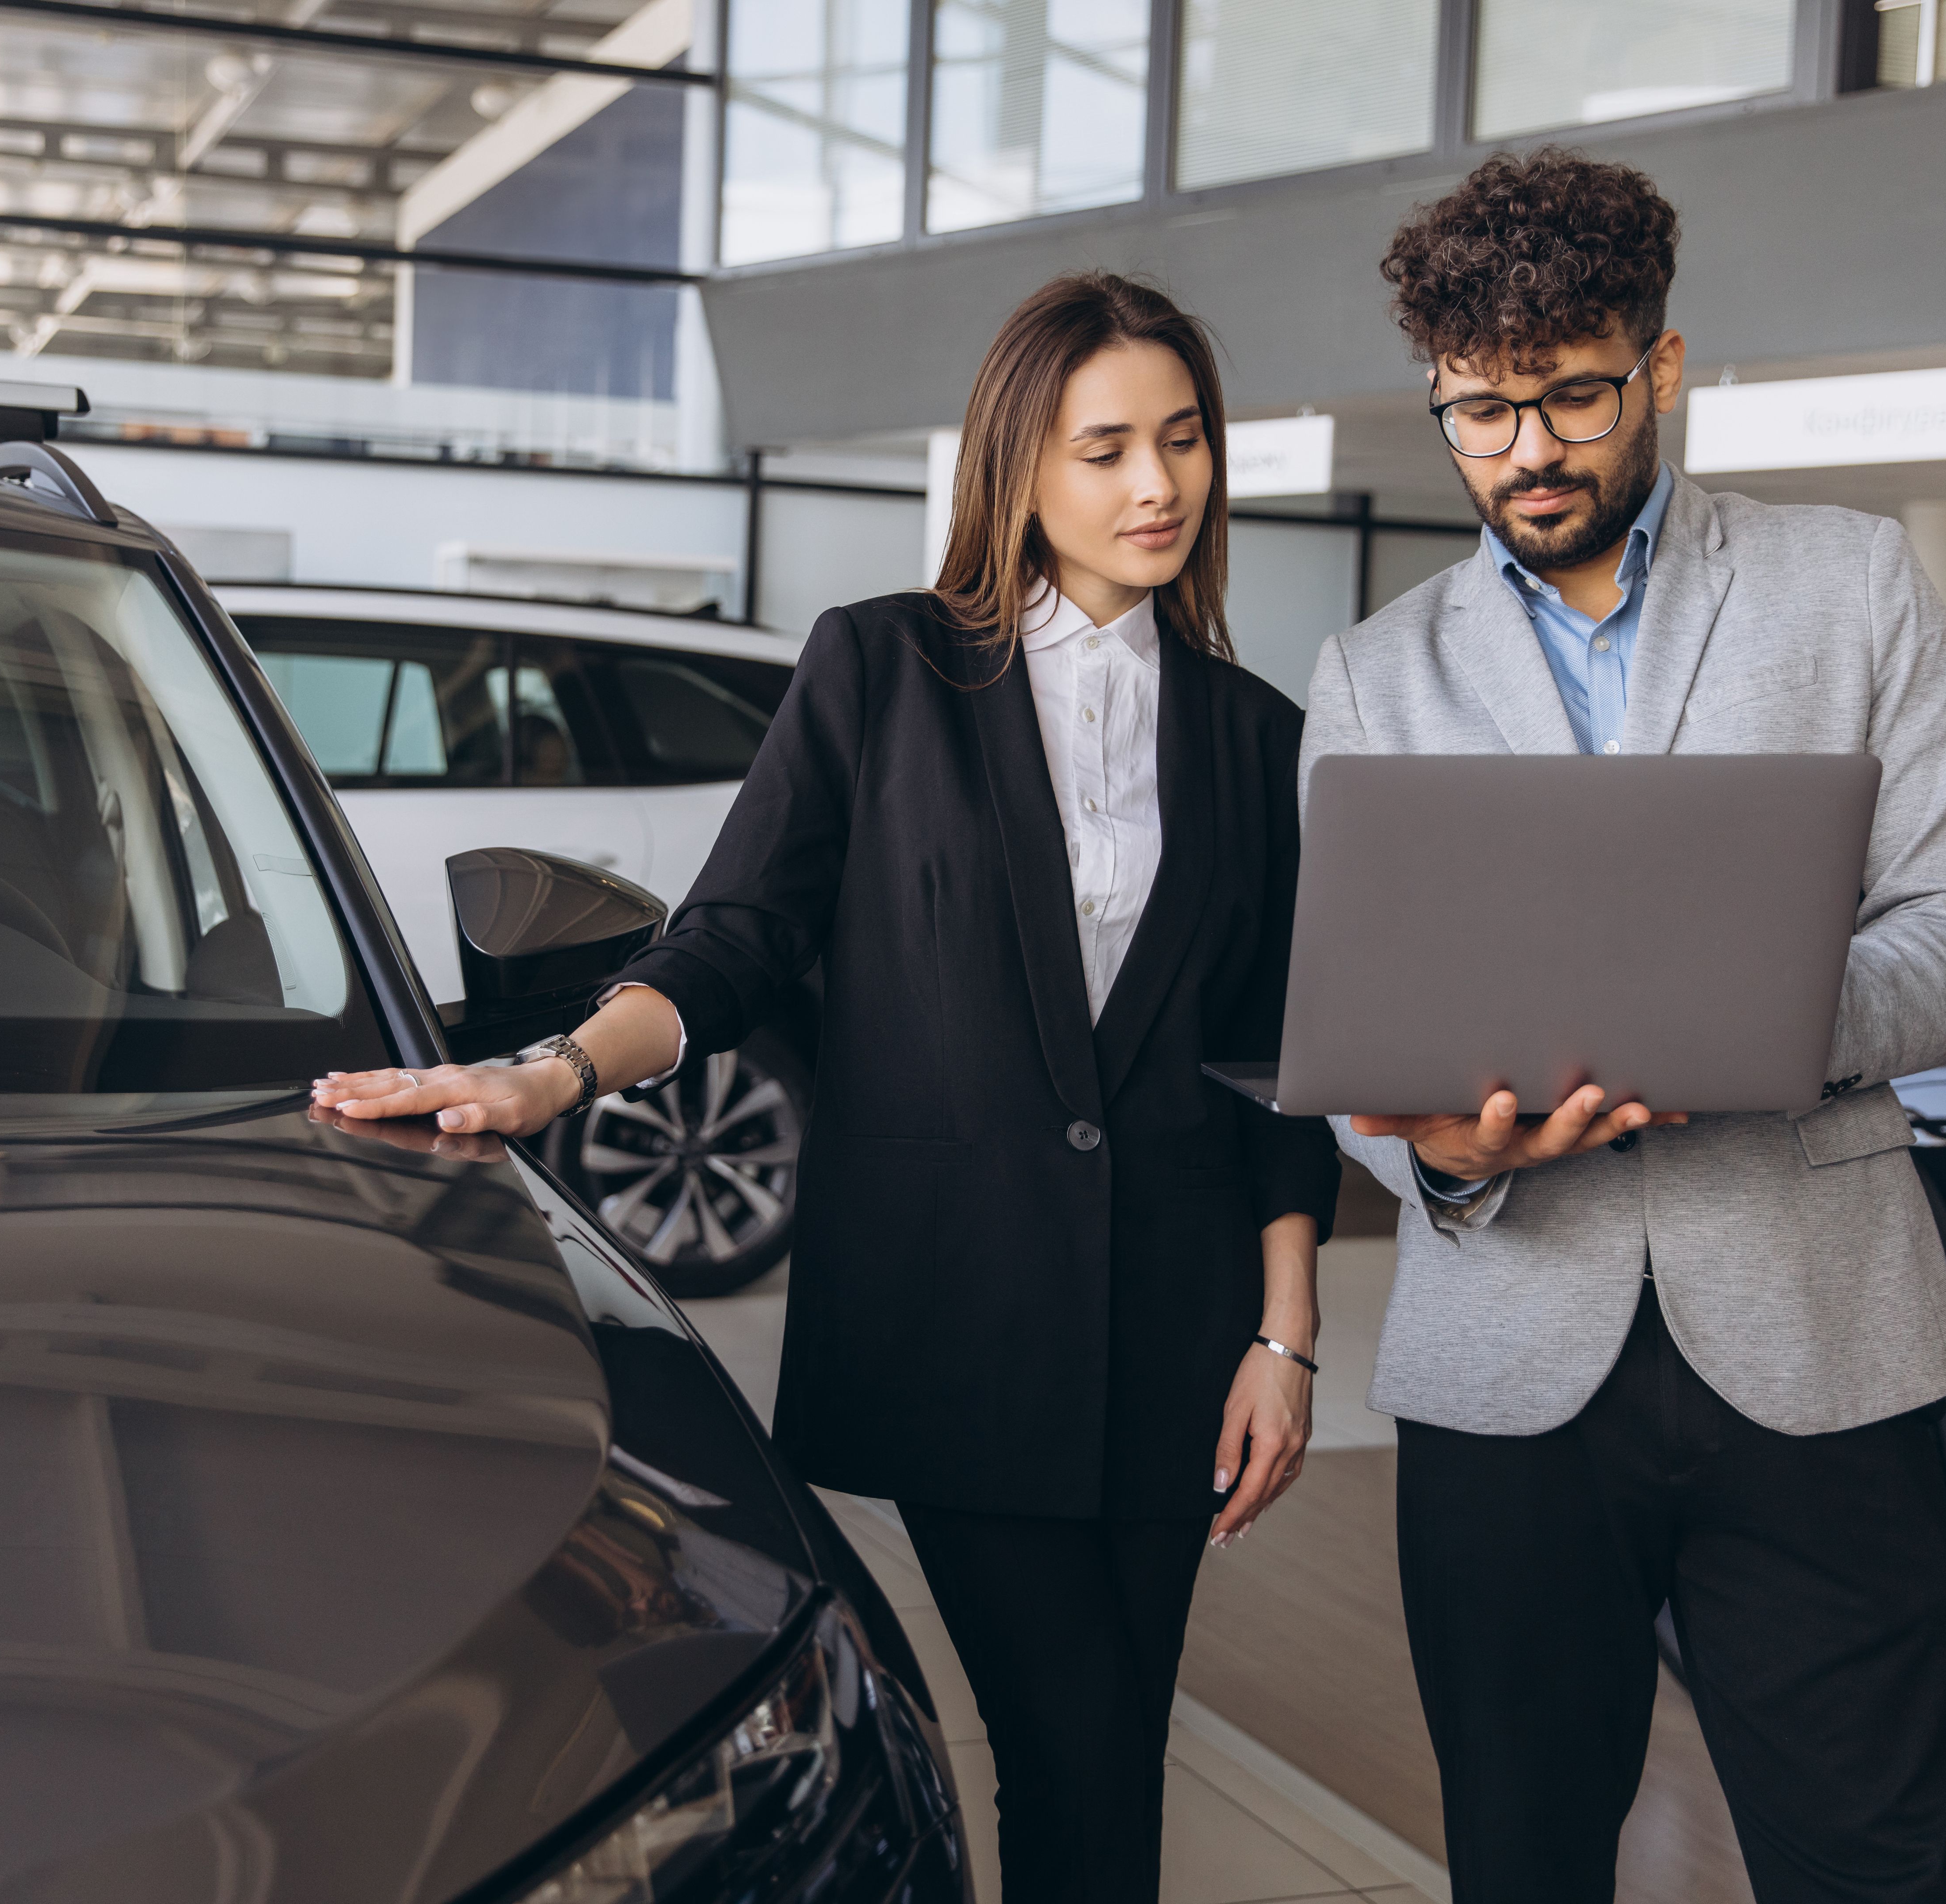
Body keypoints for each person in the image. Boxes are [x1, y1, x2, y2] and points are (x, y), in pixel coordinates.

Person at [315, 271, 1338, 1902]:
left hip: (1180, 1336)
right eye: (1105, 449)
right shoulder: (884, 672)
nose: (1157, 485)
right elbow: (736, 940)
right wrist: (558, 1071)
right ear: (1017, 469)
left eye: (1185, 441)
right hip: (957, 1318)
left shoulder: (1258, 734)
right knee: (1071, 1743)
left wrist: (1286, 1336)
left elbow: (1278, 1056)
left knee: (1112, 1768)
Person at [1304, 150, 1946, 1903]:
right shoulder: (1372, 675)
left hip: (1822, 1351)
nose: (1528, 452)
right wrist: (1445, 1155)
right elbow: (1347, 1037)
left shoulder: (1852, 586)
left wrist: (1752, 1018)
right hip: (1507, 1362)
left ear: (1664, 364)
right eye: (1479, 413)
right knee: (1525, 1862)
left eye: (1570, 394)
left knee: (1865, 1859)